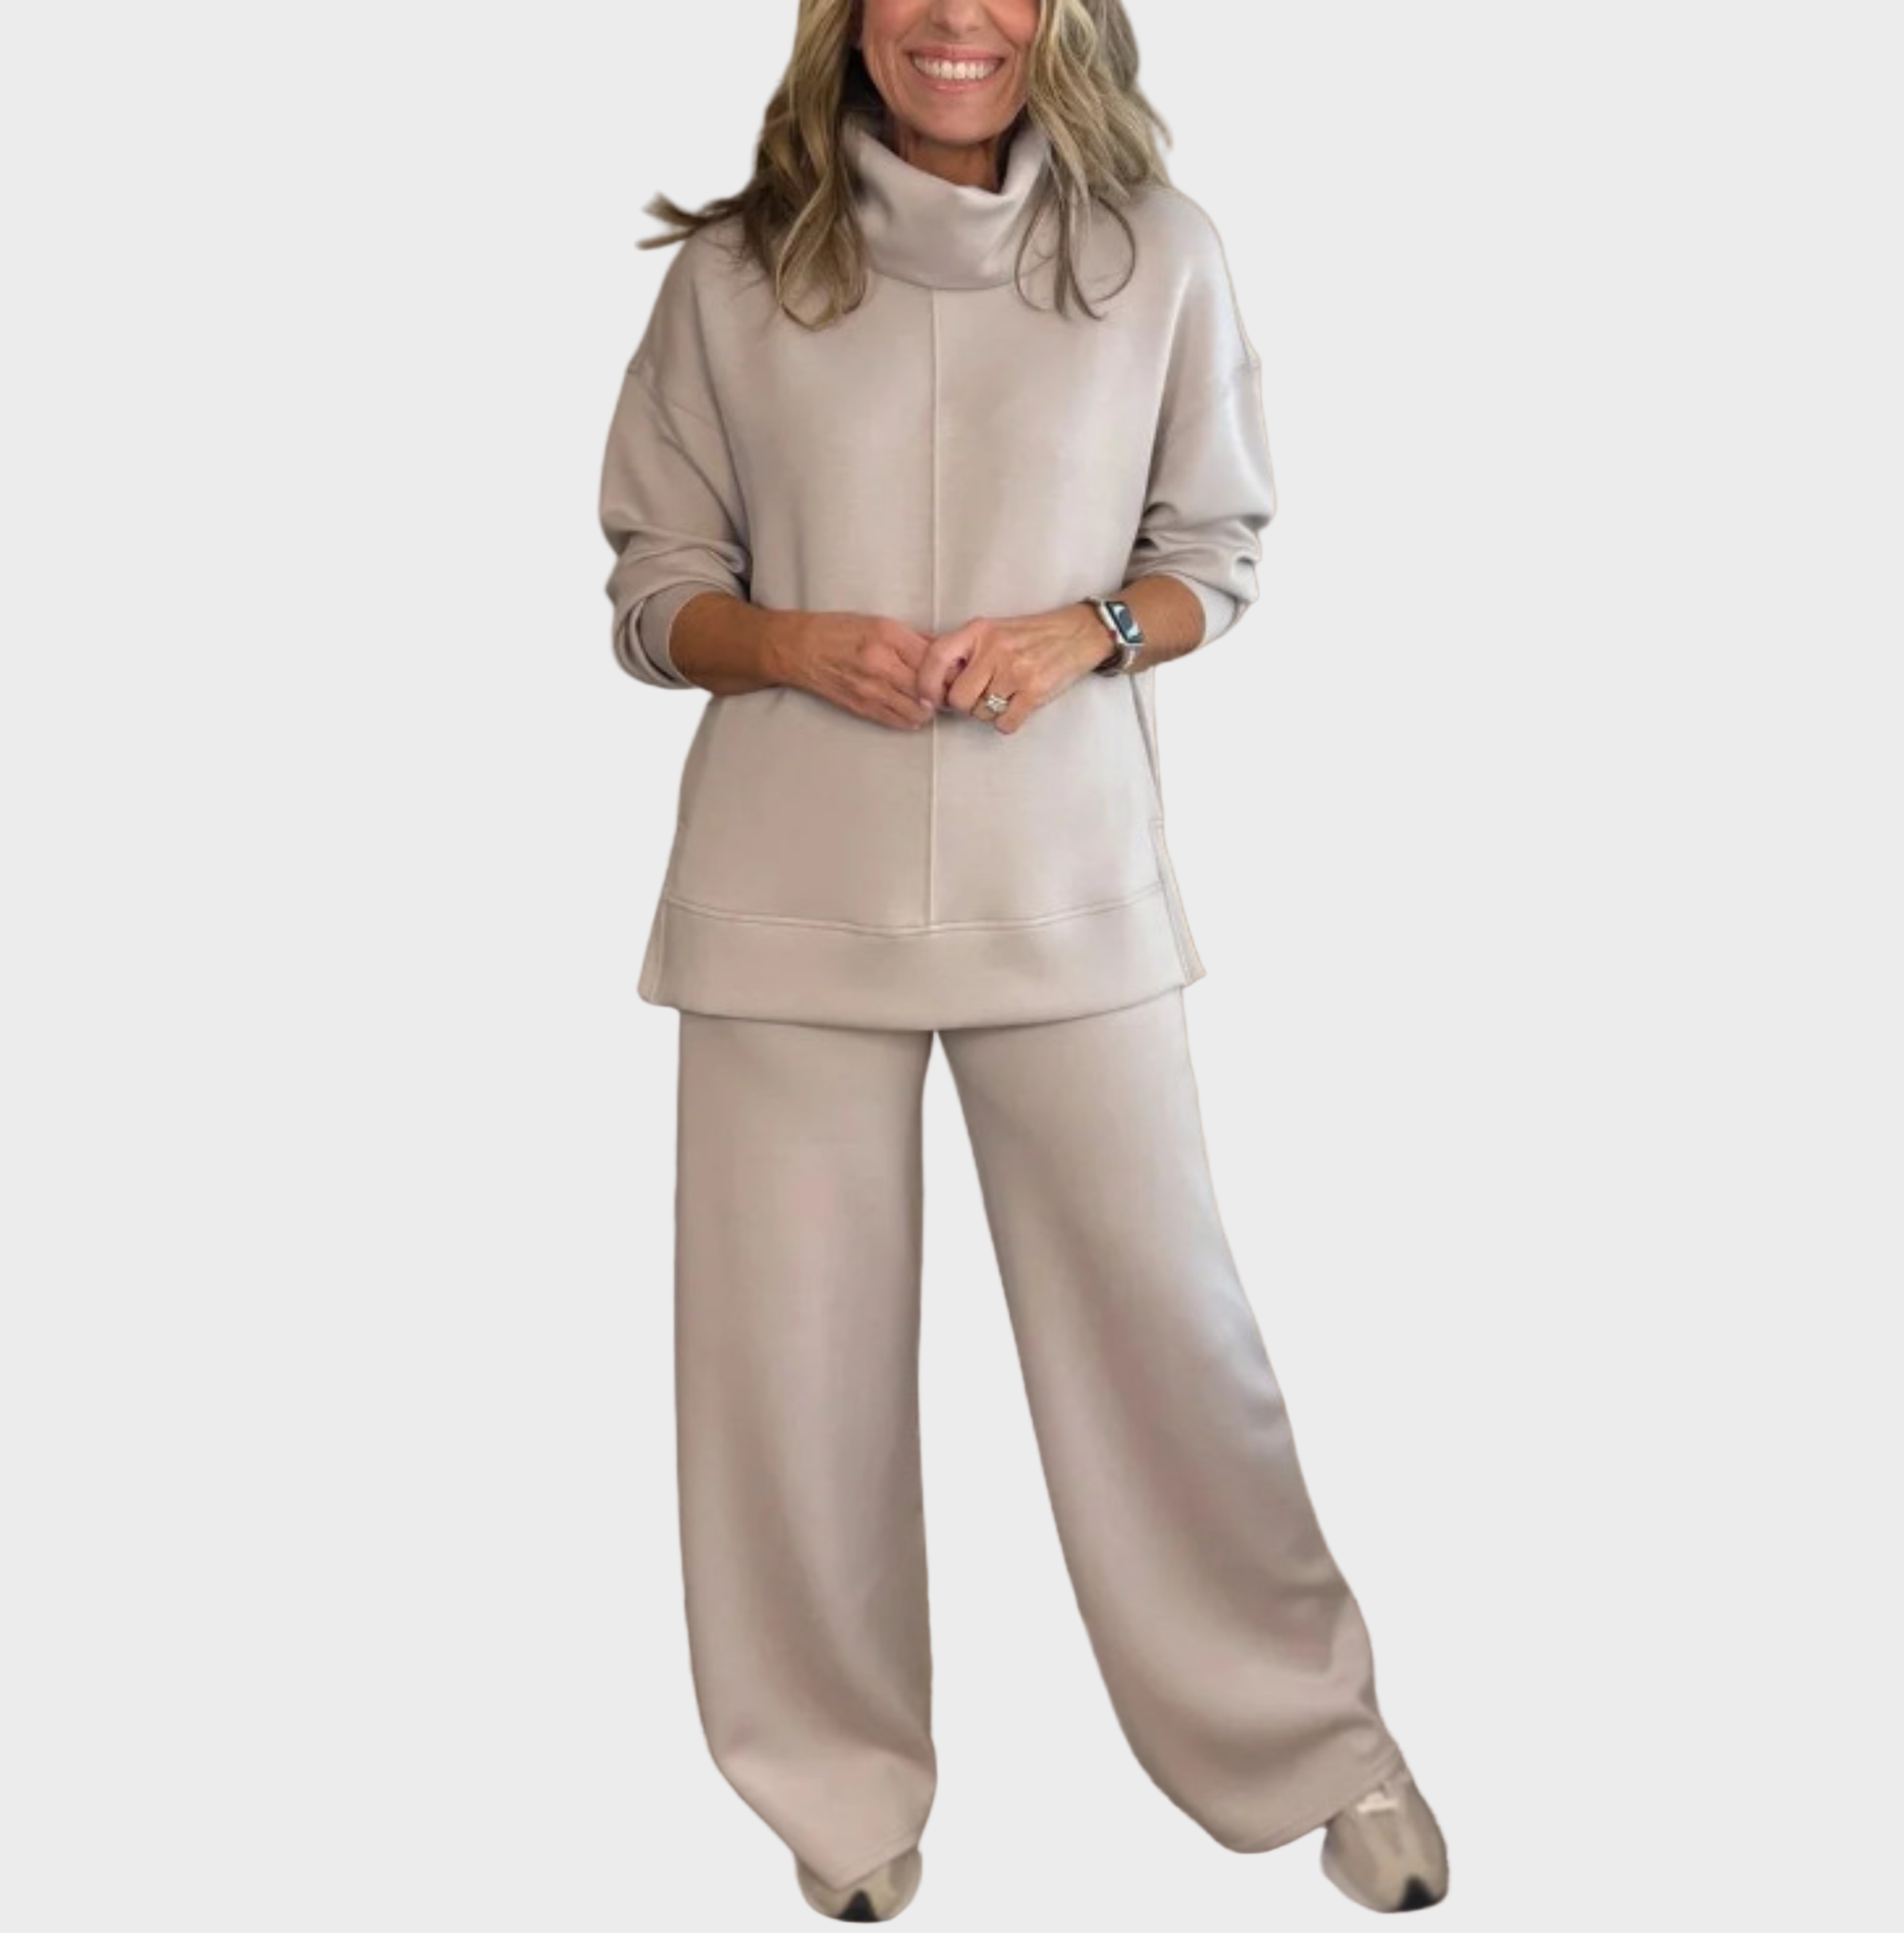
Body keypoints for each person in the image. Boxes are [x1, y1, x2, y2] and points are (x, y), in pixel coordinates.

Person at [596, 2, 1449, 1919]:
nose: (953, 18)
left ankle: (1316, 1746)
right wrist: (789, 641)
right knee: (784, 1375)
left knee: (1170, 1343)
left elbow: (1213, 548)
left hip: (1063, 880)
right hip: (785, 893)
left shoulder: (1159, 254)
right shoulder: (731, 277)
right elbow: (652, 587)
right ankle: (835, 1791)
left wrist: (1091, 630)